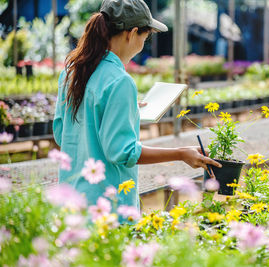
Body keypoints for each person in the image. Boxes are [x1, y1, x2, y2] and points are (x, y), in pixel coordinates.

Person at [53, 0, 221, 211]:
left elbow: (63, 135)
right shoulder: (120, 81)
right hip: (108, 207)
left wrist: (125, 110)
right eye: (145, 35)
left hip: (71, 201)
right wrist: (180, 153)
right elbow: (123, 152)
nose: (144, 42)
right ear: (131, 33)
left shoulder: (71, 73)